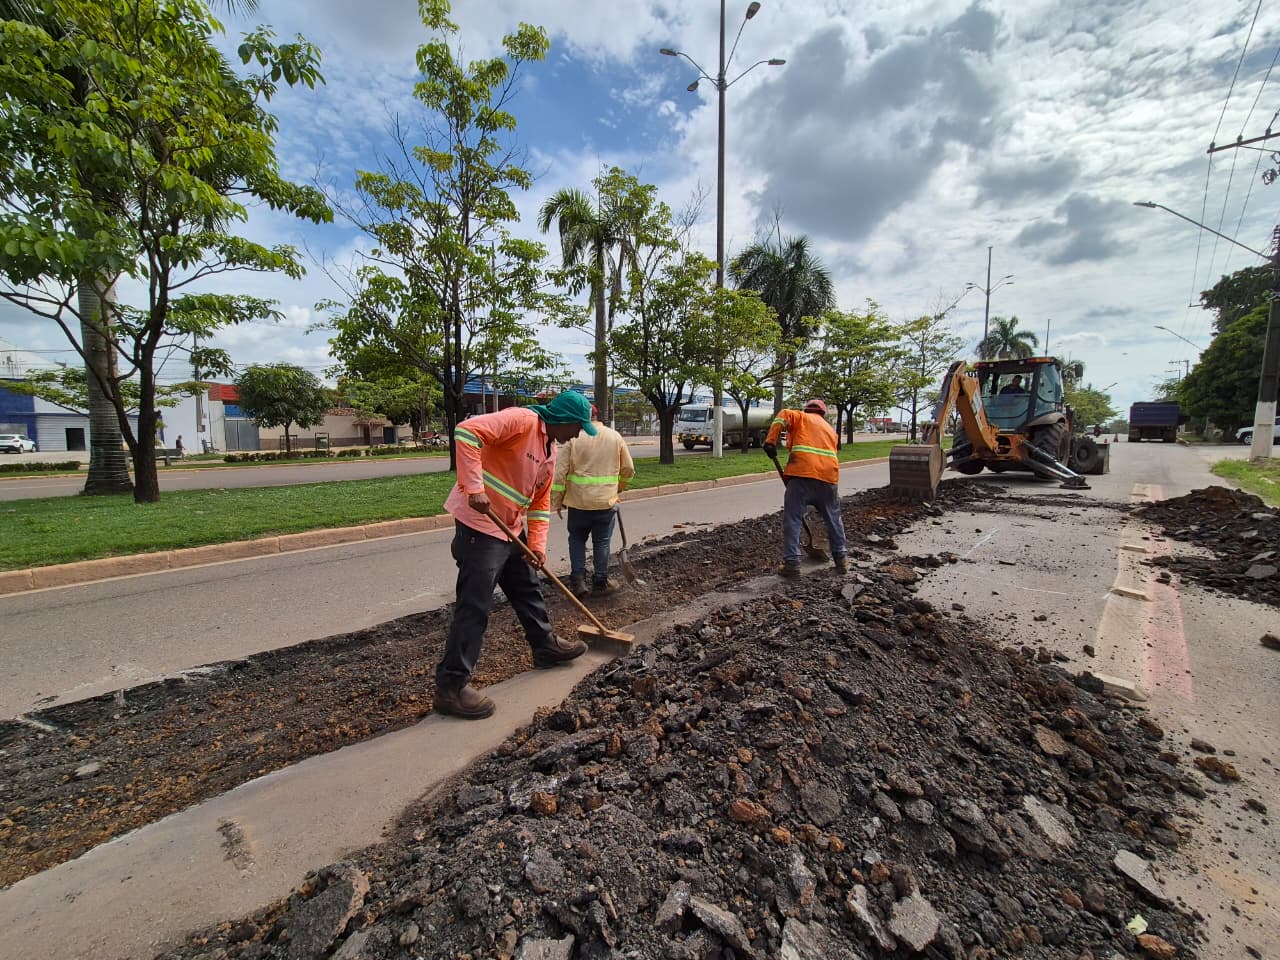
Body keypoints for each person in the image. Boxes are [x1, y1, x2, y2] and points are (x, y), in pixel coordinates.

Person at [433, 391, 597, 720]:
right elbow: (466, 431)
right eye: (577, 427)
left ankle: (545, 646)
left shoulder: (550, 451)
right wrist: (473, 487)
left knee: (527, 588)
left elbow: (539, 505)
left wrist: (536, 545)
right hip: (480, 525)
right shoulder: (522, 420)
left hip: (510, 528)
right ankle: (450, 688)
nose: (578, 434)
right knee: (475, 606)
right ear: (562, 420)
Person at [551, 405, 635, 598]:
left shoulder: (573, 437)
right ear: (597, 416)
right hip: (604, 503)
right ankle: (600, 582)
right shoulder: (614, 437)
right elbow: (629, 469)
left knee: (577, 539)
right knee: (602, 542)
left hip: (578, 503)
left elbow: (559, 474)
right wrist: (619, 487)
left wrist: (557, 501)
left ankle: (578, 581)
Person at [763, 398, 848, 577]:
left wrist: (770, 441)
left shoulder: (800, 417)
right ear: (823, 414)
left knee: (793, 518)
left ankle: (792, 564)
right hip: (828, 478)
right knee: (834, 519)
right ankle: (841, 561)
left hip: (801, 475)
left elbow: (782, 415)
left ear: (806, 410)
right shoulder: (831, 430)